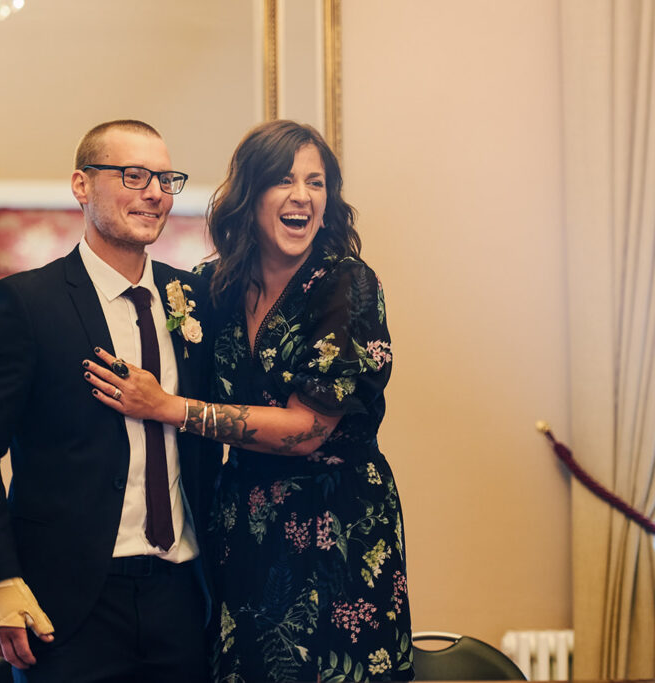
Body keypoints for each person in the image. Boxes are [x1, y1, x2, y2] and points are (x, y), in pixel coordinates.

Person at [84, 119, 414, 682]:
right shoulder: (212, 288)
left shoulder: (347, 285)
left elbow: (306, 429)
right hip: (239, 527)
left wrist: (168, 407)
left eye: (316, 183)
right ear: (250, 195)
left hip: (336, 527)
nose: (302, 197)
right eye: (284, 181)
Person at [0, 120, 219, 683]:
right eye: (134, 175)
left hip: (184, 594)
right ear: (81, 185)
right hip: (69, 603)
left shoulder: (195, 298)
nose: (155, 193)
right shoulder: (27, 302)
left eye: (166, 179)